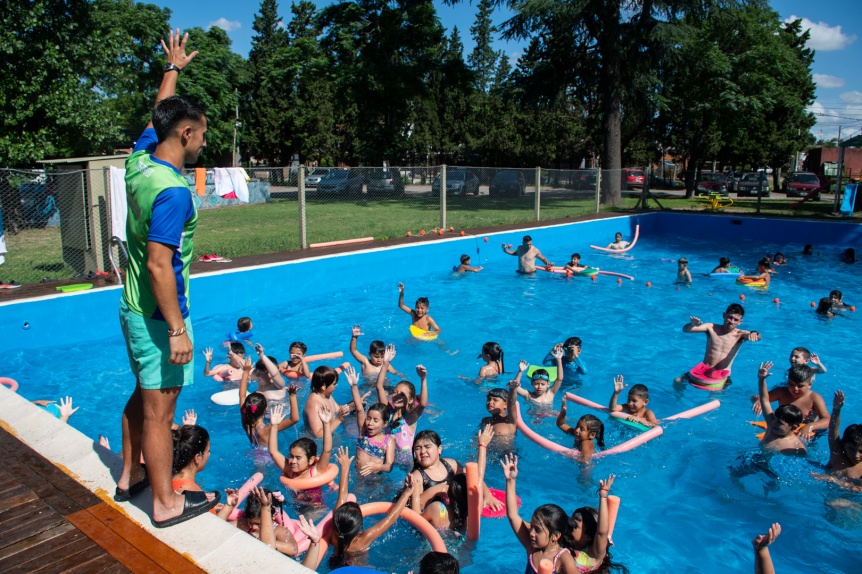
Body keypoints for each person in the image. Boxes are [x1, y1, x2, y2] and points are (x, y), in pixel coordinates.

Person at [116, 29, 219, 527]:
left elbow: (158, 117)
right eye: (201, 132)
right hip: (159, 316)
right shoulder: (174, 192)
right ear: (186, 135)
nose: (205, 138)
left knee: (143, 393)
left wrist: (172, 71)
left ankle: (128, 476)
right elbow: (160, 263)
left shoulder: (140, 163)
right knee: (161, 410)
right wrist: (177, 329)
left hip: (134, 305)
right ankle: (165, 502)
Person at [303, 446, 418, 569]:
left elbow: (342, 496)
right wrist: (407, 493)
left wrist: (345, 467)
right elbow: (391, 518)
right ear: (358, 528)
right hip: (358, 569)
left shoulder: (334, 531)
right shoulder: (363, 539)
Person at [501, 453, 616, 574]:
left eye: (537, 530)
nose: (531, 532)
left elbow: (601, 533)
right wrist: (510, 480)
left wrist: (603, 497)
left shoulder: (563, 557)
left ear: (556, 536)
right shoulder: (532, 547)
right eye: (532, 527)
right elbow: (513, 515)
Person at [408, 430, 500, 528]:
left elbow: (471, 478)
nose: (422, 451)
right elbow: (417, 504)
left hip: (447, 516)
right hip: (439, 518)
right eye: (418, 448)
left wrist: (487, 495)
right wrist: (437, 490)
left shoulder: (451, 465)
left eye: (427, 447)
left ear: (439, 449)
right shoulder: (417, 477)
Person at [674, 303, 762, 386]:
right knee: (677, 381)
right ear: (724, 315)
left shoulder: (740, 334)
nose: (731, 321)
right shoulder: (711, 328)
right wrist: (692, 325)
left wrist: (755, 333)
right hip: (704, 370)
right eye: (729, 317)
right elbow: (686, 329)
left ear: (740, 322)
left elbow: (758, 337)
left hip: (723, 375)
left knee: (716, 396)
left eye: (736, 320)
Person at [269, 405, 335, 501]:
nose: (293, 461)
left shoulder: (317, 471)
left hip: (315, 509)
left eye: (298, 458)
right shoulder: (290, 470)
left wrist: (326, 424)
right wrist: (274, 426)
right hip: (296, 507)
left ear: (311, 460)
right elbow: (273, 452)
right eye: (291, 456)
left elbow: (327, 450)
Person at [375, 346, 428, 460]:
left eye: (402, 394)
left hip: (407, 464)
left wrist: (423, 379)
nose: (397, 396)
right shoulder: (388, 412)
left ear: (410, 400)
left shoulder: (409, 419)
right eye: (395, 392)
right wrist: (385, 363)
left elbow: (422, 404)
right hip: (388, 458)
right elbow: (379, 386)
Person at [750, 363, 828, 440]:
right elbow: (760, 398)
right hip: (782, 428)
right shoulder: (782, 392)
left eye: (800, 386)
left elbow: (827, 420)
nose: (795, 389)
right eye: (791, 384)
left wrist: (810, 426)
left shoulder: (814, 398)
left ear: (809, 384)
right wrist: (758, 401)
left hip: (805, 434)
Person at [220, 487, 300, 556]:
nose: (253, 527)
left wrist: (261, 540)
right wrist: (229, 506)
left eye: (258, 524)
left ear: (272, 517)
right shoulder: (243, 523)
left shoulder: (279, 531)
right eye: (250, 522)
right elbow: (218, 529)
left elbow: (293, 550)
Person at [239, 359, 300, 448]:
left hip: (254, 454)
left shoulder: (246, 424)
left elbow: (242, 396)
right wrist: (292, 396)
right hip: (267, 458)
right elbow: (294, 419)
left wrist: (245, 372)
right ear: (266, 409)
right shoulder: (267, 429)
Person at [346, 366, 395, 475]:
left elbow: (389, 466)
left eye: (375, 420)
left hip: (375, 480)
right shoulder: (363, 432)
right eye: (369, 418)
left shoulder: (388, 441)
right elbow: (359, 409)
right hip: (358, 477)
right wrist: (354, 386)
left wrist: (378, 467)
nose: (370, 423)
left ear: (384, 424)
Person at [755, 361, 806, 455]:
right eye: (775, 419)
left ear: (793, 427)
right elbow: (764, 400)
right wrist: (761, 380)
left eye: (780, 422)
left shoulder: (796, 447)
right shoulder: (772, 425)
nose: (773, 422)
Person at [824, 391, 862, 483]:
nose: (856, 455)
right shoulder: (837, 453)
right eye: (851, 449)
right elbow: (833, 430)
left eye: (861, 451)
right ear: (844, 444)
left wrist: (838, 482)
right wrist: (836, 409)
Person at [303, 365, 351, 437]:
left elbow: (338, 410)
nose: (336, 386)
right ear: (324, 386)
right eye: (334, 384)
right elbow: (318, 435)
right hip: (316, 444)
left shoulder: (326, 395)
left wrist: (356, 404)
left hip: (329, 437)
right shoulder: (314, 405)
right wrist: (338, 419)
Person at [556, 397, 605, 463]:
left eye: (582, 429)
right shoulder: (578, 435)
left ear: (592, 435)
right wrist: (563, 412)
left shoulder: (586, 443)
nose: (577, 430)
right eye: (577, 426)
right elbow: (560, 424)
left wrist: (568, 455)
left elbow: (585, 461)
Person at [171, 425, 210, 494]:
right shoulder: (196, 493)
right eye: (208, 451)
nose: (209, 454)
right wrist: (229, 505)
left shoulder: (167, 479)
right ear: (198, 458)